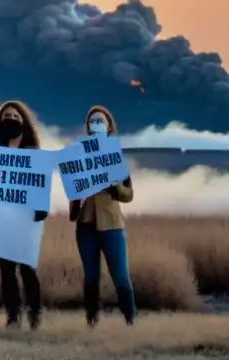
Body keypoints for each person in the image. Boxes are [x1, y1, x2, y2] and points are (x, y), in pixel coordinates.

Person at [69, 105, 136, 327]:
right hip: (86, 225)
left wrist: (114, 185)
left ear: (109, 127)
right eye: (93, 121)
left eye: (101, 120)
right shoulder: (79, 155)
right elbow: (73, 189)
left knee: (121, 277)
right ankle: (92, 323)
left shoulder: (116, 158)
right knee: (90, 278)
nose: (96, 123)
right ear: (87, 128)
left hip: (112, 226)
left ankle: (130, 322)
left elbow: (128, 195)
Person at [0, 100, 46, 330]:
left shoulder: (33, 152)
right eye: (6, 116)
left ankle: (34, 314)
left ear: (24, 121)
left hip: (26, 220)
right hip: (1, 220)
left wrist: (41, 207)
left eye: (15, 116)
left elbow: (41, 183)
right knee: (6, 271)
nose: (10, 119)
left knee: (27, 269)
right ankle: (13, 317)